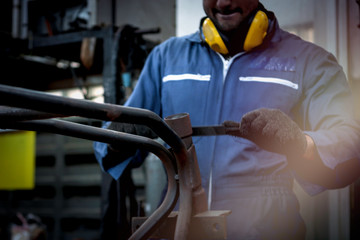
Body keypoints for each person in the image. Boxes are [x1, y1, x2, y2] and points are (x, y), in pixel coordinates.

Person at [94, 0, 360, 239]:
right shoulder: (166, 60)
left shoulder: (309, 61)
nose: (223, 3)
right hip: (177, 228)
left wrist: (301, 143)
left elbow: (351, 143)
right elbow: (105, 142)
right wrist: (117, 138)